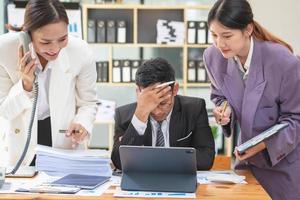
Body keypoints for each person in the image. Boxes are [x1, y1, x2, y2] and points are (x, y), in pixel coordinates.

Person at [204, 0, 300, 199]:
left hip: (283, 163)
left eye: (227, 36)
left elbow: (296, 119)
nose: (219, 43)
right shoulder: (213, 57)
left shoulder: (283, 61)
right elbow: (219, 95)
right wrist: (224, 108)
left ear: (247, 29)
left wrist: (264, 144)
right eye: (214, 35)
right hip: (246, 165)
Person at [0, 0, 97, 166]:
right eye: (45, 42)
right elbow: (4, 112)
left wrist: (82, 123)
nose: (55, 48)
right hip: (20, 144)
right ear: (27, 35)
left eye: (62, 39)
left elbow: (88, 103)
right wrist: (25, 86)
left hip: (62, 141)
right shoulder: (4, 50)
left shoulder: (80, 51)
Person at [111, 57, 215, 170]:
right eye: (150, 105)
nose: (157, 111)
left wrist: (158, 160)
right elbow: (118, 162)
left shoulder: (194, 109)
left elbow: (206, 159)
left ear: (175, 89)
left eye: (162, 103)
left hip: (179, 180)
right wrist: (140, 115)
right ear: (138, 93)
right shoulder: (123, 115)